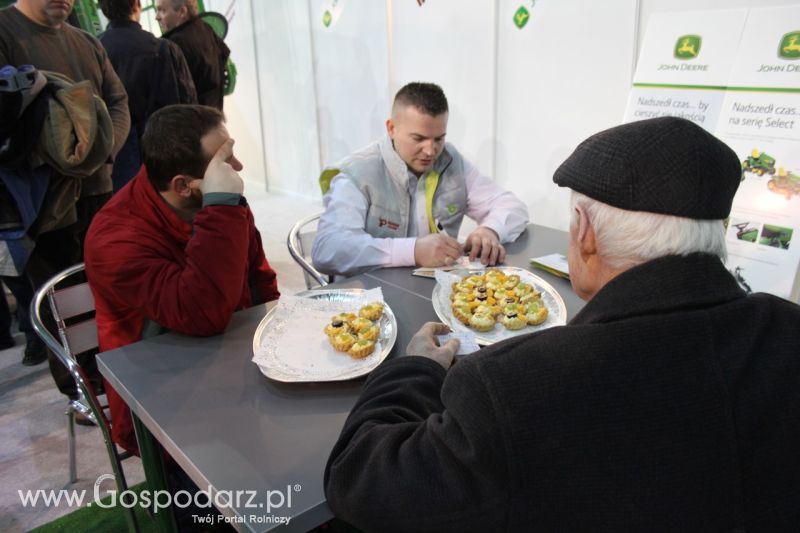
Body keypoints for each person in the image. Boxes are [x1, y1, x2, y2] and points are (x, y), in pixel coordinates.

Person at [324, 117, 800, 531]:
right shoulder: (787, 331)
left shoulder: (517, 387)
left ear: (583, 231)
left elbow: (360, 479)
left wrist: (415, 371)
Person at [85, 104, 280, 455]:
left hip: (236, 367)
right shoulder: (115, 239)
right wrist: (221, 205)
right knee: (232, 499)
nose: (236, 169)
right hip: (163, 400)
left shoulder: (220, 203)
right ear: (183, 185)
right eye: (224, 162)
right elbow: (201, 314)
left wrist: (276, 347)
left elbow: (259, 280)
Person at [0, 0, 130, 390]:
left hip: (97, 189)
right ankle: (82, 390)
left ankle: (118, 381)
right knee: (62, 303)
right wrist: (59, 153)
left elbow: (118, 100)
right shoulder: (5, 32)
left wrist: (102, 152)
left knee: (108, 289)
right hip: (41, 200)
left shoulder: (86, 42)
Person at [312, 82, 529, 278]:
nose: (430, 150)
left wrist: (489, 230)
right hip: (368, 301)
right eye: (419, 138)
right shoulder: (357, 173)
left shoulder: (450, 161)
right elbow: (328, 249)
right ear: (391, 128)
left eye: (439, 138)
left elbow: (512, 206)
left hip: (433, 292)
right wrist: (413, 251)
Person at [98, 0, 197, 191]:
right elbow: (189, 106)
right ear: (136, 4)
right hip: (163, 154)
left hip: (115, 157)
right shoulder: (164, 48)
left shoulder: (94, 49)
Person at [155, 0, 229, 110]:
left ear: (182, 12)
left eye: (162, 10)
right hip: (214, 115)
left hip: (193, 122)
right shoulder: (206, 28)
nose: (157, 17)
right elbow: (224, 55)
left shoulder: (173, 47)